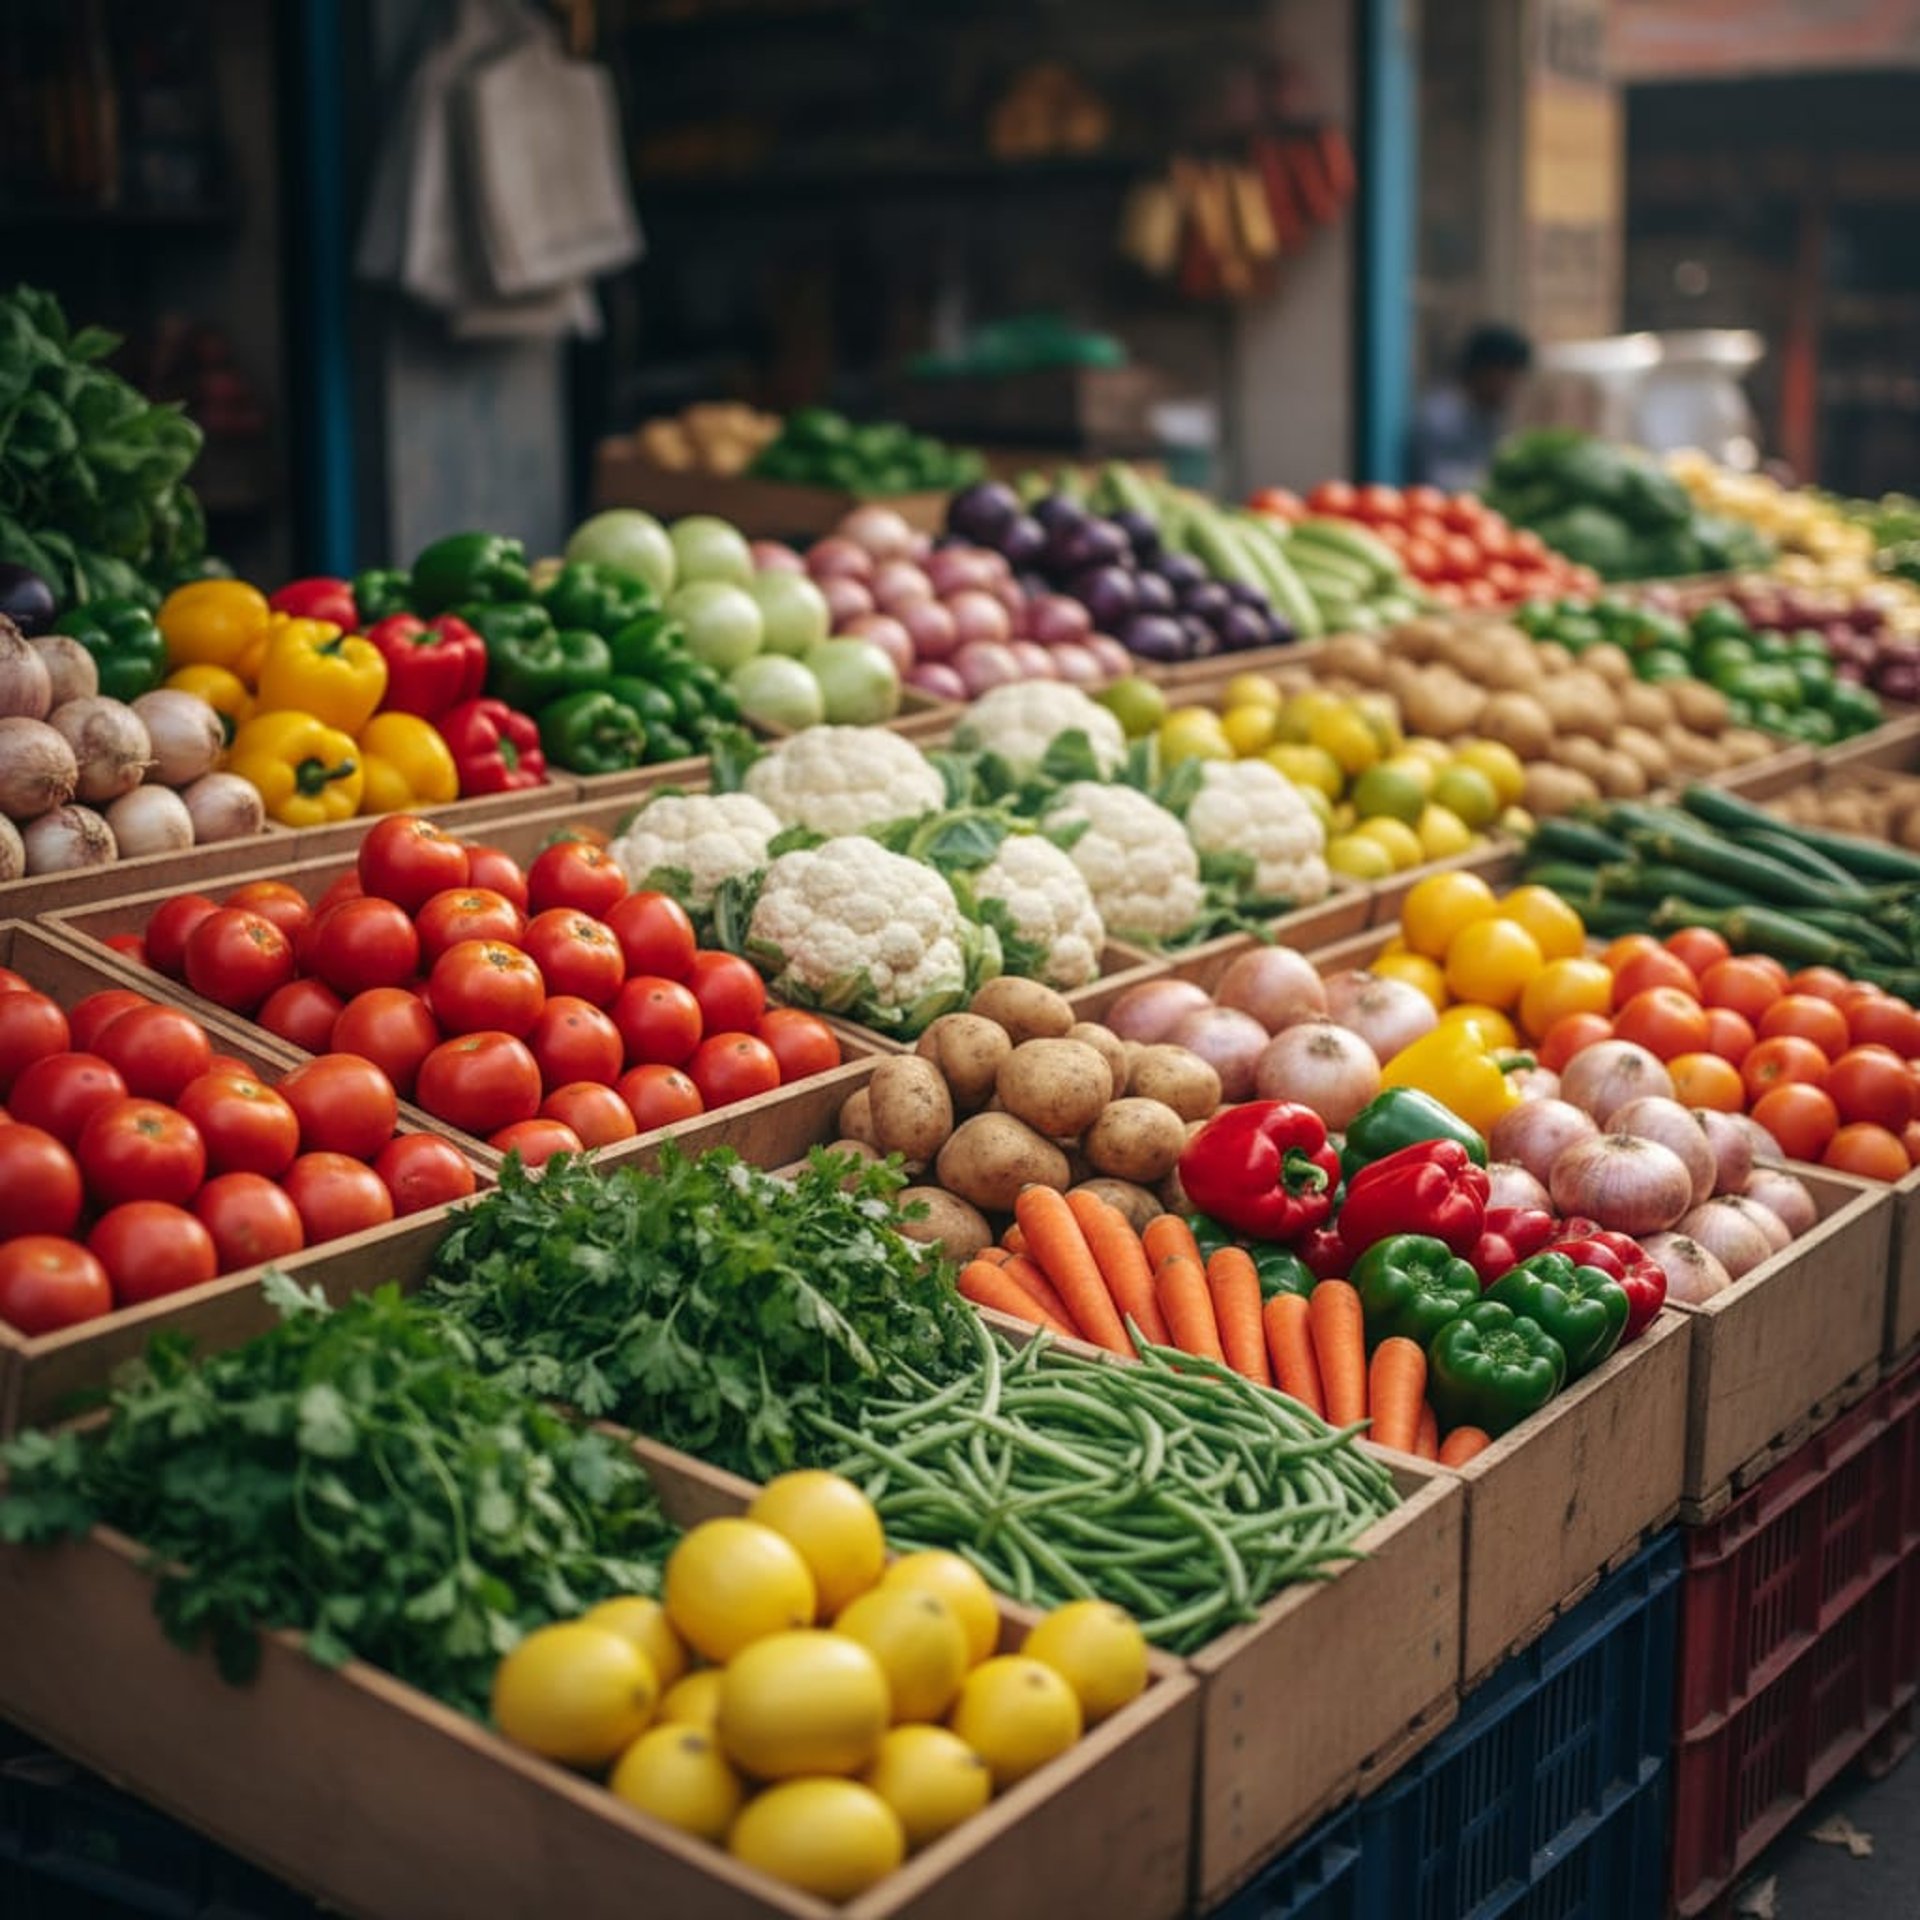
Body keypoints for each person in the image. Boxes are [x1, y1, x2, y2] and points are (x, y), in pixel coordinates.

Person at [1411, 325, 1534, 493]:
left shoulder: (1487, 412)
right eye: (1509, 377)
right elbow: (1437, 481)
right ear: (1483, 371)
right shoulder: (1442, 416)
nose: (1512, 388)